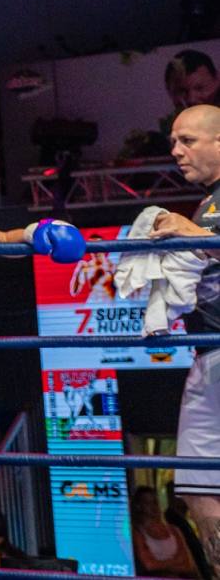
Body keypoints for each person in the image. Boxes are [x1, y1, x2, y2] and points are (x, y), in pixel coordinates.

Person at [151, 103, 220, 555]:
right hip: (208, 353)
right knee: (196, 488)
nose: (176, 151)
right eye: (174, 141)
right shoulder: (208, 202)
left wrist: (191, 233)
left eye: (188, 141)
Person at [134, 486, 201, 578]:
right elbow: (149, 565)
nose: (153, 506)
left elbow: (188, 565)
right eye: (147, 503)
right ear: (139, 506)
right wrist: (176, 562)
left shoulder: (174, 530)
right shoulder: (138, 533)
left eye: (155, 502)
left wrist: (162, 565)